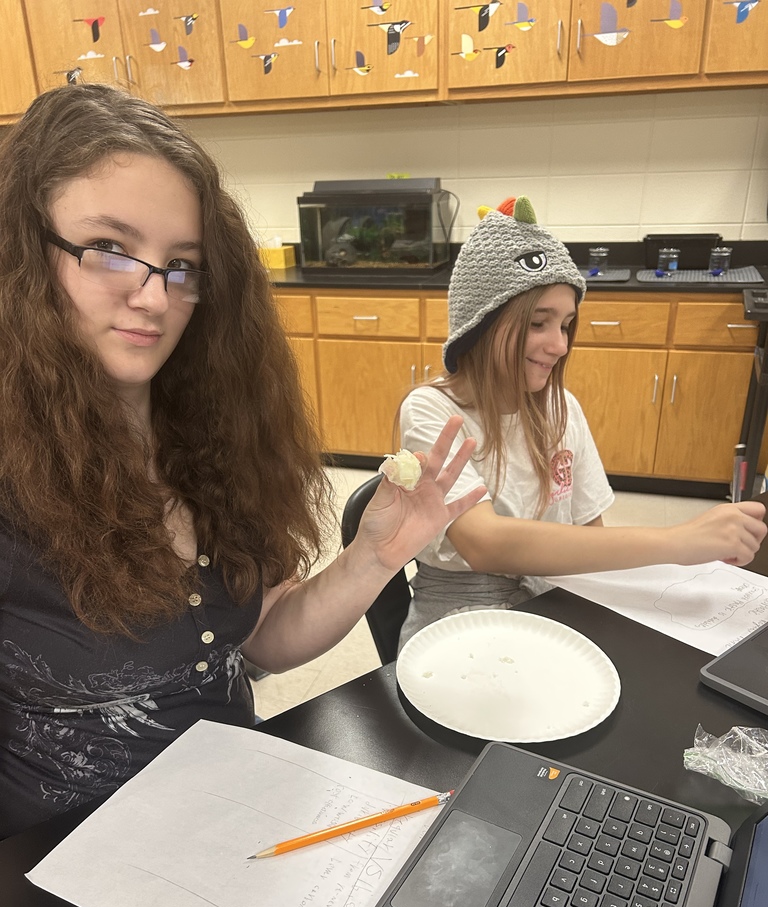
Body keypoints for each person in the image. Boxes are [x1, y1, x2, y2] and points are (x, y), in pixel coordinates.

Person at [0, 84, 485, 840]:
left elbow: (263, 639)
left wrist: (374, 556)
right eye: (110, 250)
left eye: (181, 265)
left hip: (235, 817)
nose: (154, 298)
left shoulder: (212, 435)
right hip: (62, 874)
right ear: (26, 256)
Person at [398, 196, 767, 649]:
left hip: (555, 594)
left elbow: (590, 537)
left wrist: (684, 564)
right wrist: (679, 541)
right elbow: (485, 542)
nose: (559, 345)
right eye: (538, 323)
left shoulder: (561, 408)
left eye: (567, 325)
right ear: (481, 327)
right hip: (459, 614)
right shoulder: (431, 410)